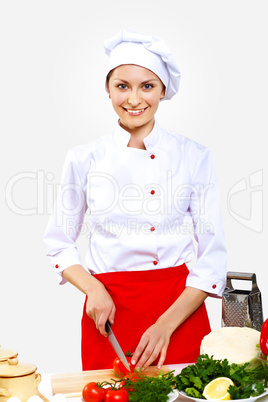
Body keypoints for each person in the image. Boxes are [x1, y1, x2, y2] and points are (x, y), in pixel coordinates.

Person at [44, 29, 227, 371]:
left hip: (179, 308)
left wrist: (165, 326)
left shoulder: (194, 156)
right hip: (109, 311)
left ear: (162, 91)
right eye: (122, 86)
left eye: (147, 86)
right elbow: (58, 244)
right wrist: (93, 290)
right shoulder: (84, 158)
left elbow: (212, 256)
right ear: (108, 89)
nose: (134, 99)